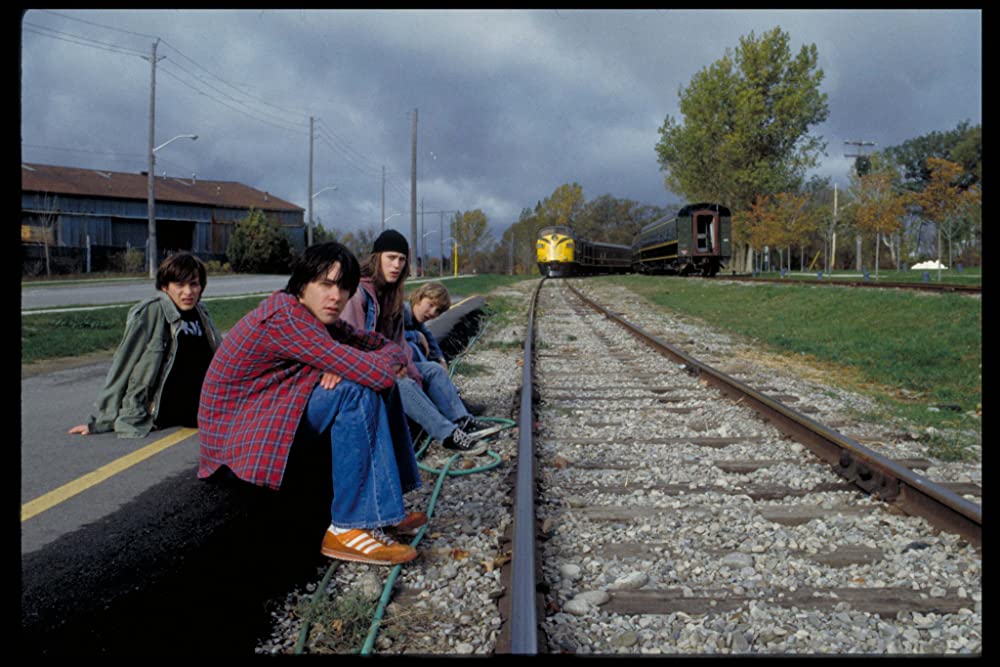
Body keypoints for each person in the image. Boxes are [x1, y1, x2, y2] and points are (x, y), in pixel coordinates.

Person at [198, 242, 424, 566]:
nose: (336, 297)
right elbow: (380, 373)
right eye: (326, 285)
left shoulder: (317, 317)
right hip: (241, 437)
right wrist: (345, 364)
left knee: (363, 382)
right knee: (355, 390)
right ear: (303, 284)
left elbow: (386, 347)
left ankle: (383, 508)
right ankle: (347, 529)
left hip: (273, 409)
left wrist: (345, 362)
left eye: (345, 288)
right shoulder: (287, 317)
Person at [340, 230, 492, 456]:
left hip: (383, 365)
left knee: (431, 370)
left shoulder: (392, 296)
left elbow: (399, 343)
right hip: (357, 370)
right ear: (377, 257)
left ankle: (462, 421)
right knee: (401, 383)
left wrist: (413, 372)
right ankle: (449, 436)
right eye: (391, 257)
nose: (396, 265)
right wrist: (395, 370)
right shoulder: (359, 293)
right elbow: (351, 345)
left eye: (402, 260)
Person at [69, 252, 220, 438]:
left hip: (203, 400)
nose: (188, 292)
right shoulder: (152, 312)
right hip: (171, 407)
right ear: (165, 287)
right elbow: (124, 364)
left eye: (194, 284)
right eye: (180, 285)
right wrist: (104, 420)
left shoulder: (201, 313)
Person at [403, 282, 487, 417]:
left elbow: (428, 336)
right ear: (419, 297)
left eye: (438, 311)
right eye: (430, 305)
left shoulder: (415, 319)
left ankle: (455, 403)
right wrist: (416, 336)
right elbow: (388, 336)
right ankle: (454, 410)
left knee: (434, 363)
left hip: (407, 366)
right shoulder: (403, 312)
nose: (432, 313)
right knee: (416, 350)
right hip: (397, 368)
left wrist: (440, 359)